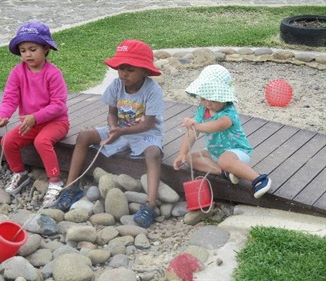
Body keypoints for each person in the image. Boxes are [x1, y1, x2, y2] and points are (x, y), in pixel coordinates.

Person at [56, 39, 164, 228]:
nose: (124, 73)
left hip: (145, 131)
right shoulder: (116, 85)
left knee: (154, 153)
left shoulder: (153, 90)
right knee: (83, 136)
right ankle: (71, 186)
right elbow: (112, 113)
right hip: (121, 127)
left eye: (130, 70)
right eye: (121, 68)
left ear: (145, 71)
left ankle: (150, 205)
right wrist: (113, 129)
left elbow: (148, 123)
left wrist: (121, 131)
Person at [0, 22, 70, 207]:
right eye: (23, 50)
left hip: (56, 122)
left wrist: (36, 117)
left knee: (41, 141)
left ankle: (55, 181)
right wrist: (3, 115)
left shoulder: (53, 74)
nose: (27, 54)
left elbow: (59, 106)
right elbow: (10, 98)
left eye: (32, 49)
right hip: (30, 123)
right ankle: (19, 174)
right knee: (7, 141)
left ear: (45, 48)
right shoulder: (17, 72)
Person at [173, 64, 272, 199]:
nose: (207, 103)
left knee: (225, 160)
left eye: (212, 99)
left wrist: (196, 126)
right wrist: (182, 153)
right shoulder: (203, 110)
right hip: (215, 152)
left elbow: (217, 126)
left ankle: (259, 179)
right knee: (191, 158)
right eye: (203, 98)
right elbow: (192, 133)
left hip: (237, 152)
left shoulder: (228, 113)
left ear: (224, 96)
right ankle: (225, 173)